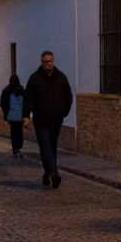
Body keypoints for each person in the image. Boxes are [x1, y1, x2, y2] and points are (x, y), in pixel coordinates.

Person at [23, 50, 73, 188]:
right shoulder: (34, 78)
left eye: (50, 61)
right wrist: (26, 116)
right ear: (41, 62)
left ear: (53, 61)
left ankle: (48, 174)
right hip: (41, 118)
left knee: (52, 146)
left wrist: (64, 112)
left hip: (56, 118)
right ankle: (54, 173)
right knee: (45, 145)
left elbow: (68, 96)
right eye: (45, 61)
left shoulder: (61, 77)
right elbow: (27, 98)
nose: (48, 64)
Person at [0, 74, 25, 157]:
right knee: (20, 131)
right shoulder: (22, 90)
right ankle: (20, 147)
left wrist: (6, 113)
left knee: (13, 132)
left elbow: (2, 103)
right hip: (20, 115)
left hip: (11, 115)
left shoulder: (6, 90)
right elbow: (26, 103)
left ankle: (15, 148)